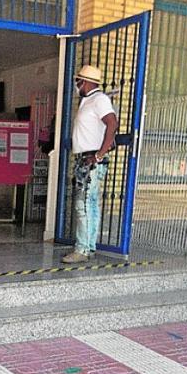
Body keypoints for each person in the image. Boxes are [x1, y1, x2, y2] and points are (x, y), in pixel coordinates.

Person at [62, 64, 117, 264]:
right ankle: (89, 246)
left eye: (78, 81)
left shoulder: (99, 99)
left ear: (83, 81)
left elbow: (112, 123)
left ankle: (82, 249)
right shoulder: (89, 101)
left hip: (91, 160)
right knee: (90, 203)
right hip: (86, 159)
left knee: (82, 204)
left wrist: (99, 155)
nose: (77, 85)